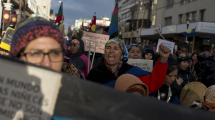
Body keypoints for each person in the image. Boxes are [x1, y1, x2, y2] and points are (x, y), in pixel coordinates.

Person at [87, 37, 171, 94]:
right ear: (105, 52)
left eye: (116, 48)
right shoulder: (94, 73)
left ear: (122, 55)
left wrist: (163, 59)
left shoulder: (132, 71)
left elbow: (153, 83)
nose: (111, 51)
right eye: (108, 48)